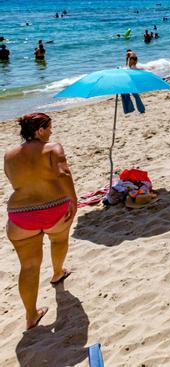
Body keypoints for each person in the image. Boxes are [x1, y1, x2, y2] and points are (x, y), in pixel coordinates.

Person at [5, 113, 77, 330]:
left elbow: (12, 180)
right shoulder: (53, 148)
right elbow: (63, 174)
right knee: (58, 240)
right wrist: (73, 200)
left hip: (21, 215)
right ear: (40, 130)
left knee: (28, 266)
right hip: (53, 209)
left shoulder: (9, 154)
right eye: (49, 127)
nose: (52, 132)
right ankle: (57, 273)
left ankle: (31, 316)